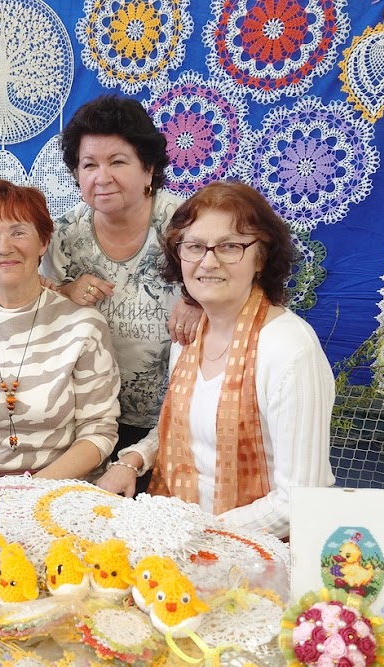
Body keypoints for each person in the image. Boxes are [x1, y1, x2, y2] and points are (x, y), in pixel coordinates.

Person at [96, 181, 335, 538]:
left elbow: (300, 501)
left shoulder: (290, 349)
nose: (208, 262)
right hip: (178, 527)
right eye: (194, 246)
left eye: (229, 246)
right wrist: (132, 460)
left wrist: (195, 533)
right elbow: (182, 429)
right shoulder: (192, 335)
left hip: (257, 549)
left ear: (261, 257)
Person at [40, 95, 198, 489]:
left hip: (178, 422)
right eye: (89, 164)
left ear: (149, 168)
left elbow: (233, 282)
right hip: (87, 424)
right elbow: (38, 311)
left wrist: (199, 301)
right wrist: (64, 291)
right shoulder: (64, 236)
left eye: (118, 161)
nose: (102, 176)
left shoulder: (186, 226)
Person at [0, 179, 120, 482]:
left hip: (60, 489)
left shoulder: (83, 324)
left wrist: (28, 491)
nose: (5, 247)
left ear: (43, 241)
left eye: (18, 232)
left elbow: (98, 431)